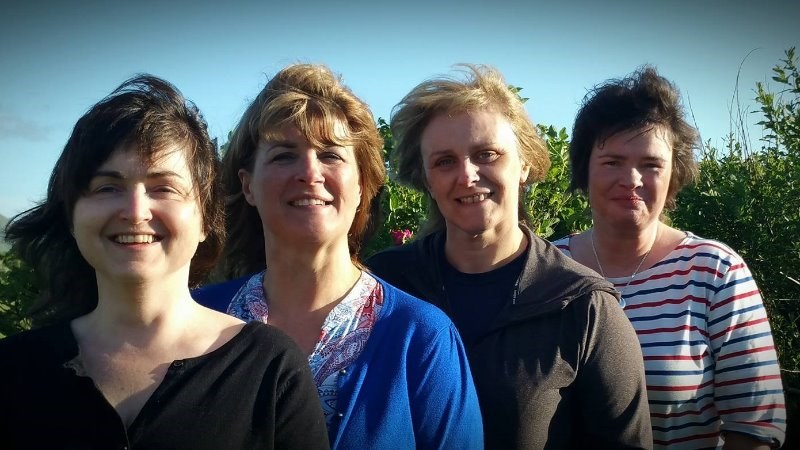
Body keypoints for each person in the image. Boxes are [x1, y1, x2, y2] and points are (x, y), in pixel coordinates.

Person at [0, 75, 329, 449]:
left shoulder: (269, 369)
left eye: (163, 188)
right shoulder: (14, 370)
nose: (135, 211)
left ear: (206, 218)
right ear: (71, 216)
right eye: (108, 187)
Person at [192, 64, 483, 449]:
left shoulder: (421, 337)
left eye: (330, 155)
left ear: (362, 184)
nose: (309, 173)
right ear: (247, 185)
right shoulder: (194, 320)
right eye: (283, 156)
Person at [366, 64, 653, 449]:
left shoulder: (583, 308)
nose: (467, 175)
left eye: (486, 154)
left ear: (525, 164)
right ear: (427, 180)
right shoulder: (382, 287)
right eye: (444, 161)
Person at [551, 66, 786, 449]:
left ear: (674, 173)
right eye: (612, 162)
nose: (632, 179)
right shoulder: (547, 269)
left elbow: (755, 426)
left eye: (651, 164)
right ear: (584, 168)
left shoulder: (715, 272)